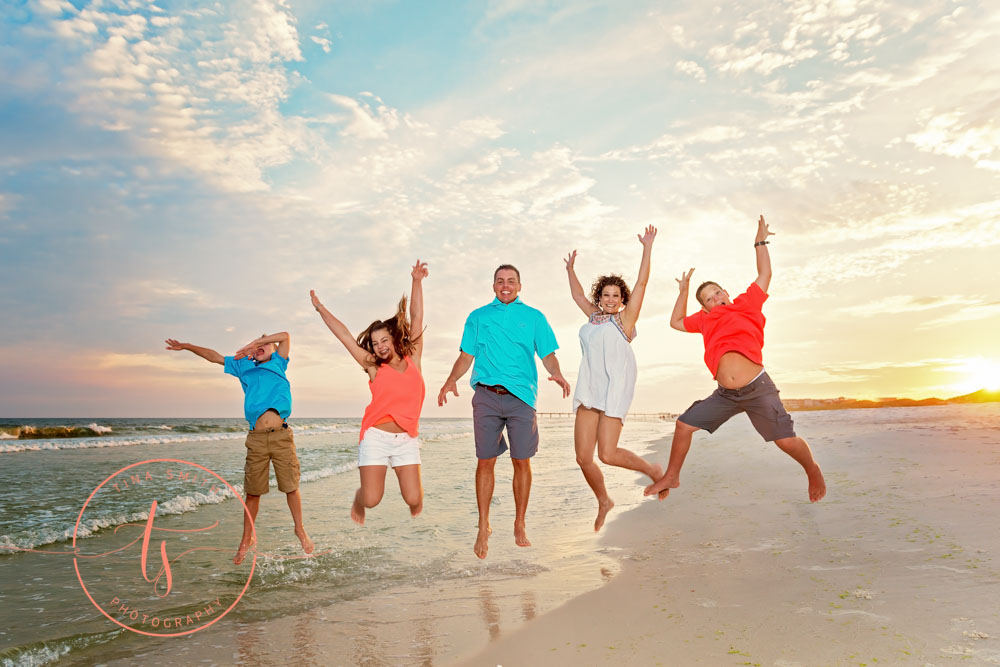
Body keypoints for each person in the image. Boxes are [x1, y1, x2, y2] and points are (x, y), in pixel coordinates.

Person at [644, 215, 826, 503]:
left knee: (786, 441)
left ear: (726, 292)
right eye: (708, 299)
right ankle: (672, 475)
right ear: (705, 308)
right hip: (725, 395)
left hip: (758, 388)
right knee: (683, 425)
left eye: (717, 293)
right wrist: (683, 291)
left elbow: (764, 274)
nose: (716, 299)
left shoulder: (745, 305)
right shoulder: (705, 320)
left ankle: (811, 468)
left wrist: (760, 241)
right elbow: (676, 322)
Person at [437, 264, 571, 559]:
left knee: (521, 460)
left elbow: (548, 354)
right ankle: (483, 524)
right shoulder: (478, 317)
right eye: (500, 281)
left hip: (522, 398)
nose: (505, 285)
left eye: (511, 281)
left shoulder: (534, 317)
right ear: (493, 286)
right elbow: (465, 356)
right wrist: (449, 381)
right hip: (486, 395)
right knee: (485, 461)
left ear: (519, 286)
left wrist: (558, 374)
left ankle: (519, 523)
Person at [165, 333, 314, 565]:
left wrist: (255, 343)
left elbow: (284, 336)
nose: (261, 346)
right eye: (257, 345)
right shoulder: (243, 366)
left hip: (281, 436)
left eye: (265, 344)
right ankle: (247, 538)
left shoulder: (279, 362)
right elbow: (213, 356)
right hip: (256, 439)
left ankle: (300, 530)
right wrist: (186, 346)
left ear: (274, 350)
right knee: (253, 492)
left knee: (291, 487)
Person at [310, 260, 428, 525]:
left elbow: (417, 317)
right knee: (372, 499)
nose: (379, 346)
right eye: (375, 344)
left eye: (384, 340)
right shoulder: (373, 367)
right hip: (376, 437)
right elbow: (345, 337)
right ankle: (358, 496)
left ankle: (407, 493)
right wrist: (320, 308)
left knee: (414, 499)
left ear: (394, 339)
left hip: (406, 438)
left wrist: (417, 282)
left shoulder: (413, 360)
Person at [564, 225, 663, 531]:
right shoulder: (593, 317)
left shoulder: (625, 320)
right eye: (605, 294)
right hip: (589, 390)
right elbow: (577, 294)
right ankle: (604, 500)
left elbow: (643, 283)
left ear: (622, 299)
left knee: (607, 454)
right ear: (600, 297)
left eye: (615, 295)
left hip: (614, 390)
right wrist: (570, 269)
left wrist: (647, 247)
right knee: (584, 458)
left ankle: (652, 470)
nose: (609, 299)